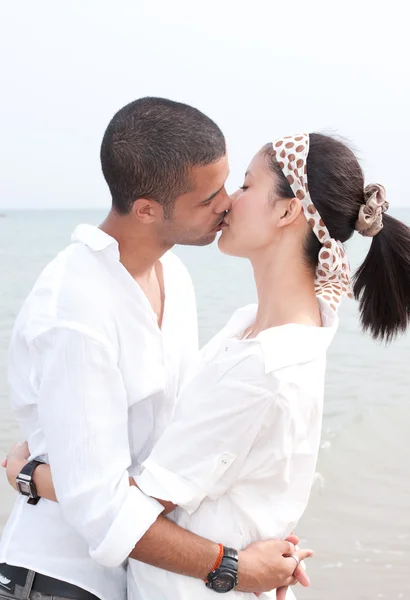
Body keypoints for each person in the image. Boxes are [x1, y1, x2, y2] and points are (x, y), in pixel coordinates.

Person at [6, 131, 410, 599]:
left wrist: (31, 475)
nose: (228, 204)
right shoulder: (255, 329)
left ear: (286, 210)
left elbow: (134, 504)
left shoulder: (266, 362)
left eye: (245, 185)